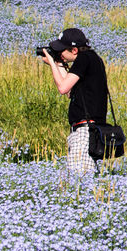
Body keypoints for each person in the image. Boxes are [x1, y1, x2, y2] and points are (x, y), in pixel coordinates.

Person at [40, 27, 109, 176]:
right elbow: (71, 91)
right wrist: (59, 64)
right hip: (90, 129)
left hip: (85, 129)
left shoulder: (84, 59)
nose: (60, 54)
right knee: (86, 174)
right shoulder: (91, 59)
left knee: (79, 175)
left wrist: (52, 63)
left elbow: (63, 88)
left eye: (62, 51)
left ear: (74, 50)